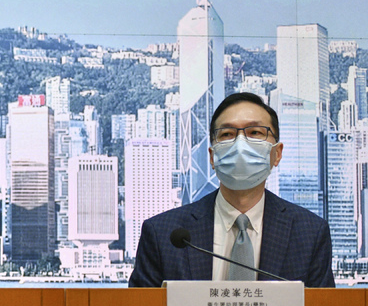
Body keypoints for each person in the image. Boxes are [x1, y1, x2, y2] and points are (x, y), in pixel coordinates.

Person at [129, 92, 334, 288]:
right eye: (227, 134)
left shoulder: (309, 233)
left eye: (255, 133)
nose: (240, 144)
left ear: (277, 154)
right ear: (212, 157)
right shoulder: (164, 234)